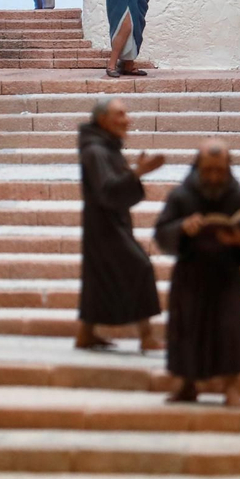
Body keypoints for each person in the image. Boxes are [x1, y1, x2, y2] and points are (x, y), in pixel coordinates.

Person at [154, 139, 240, 408]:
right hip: (190, 274)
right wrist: (182, 227)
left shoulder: (239, 196)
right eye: (208, 171)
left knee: (229, 331)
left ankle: (232, 388)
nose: (214, 176)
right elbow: (161, 232)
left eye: (219, 171)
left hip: (225, 275)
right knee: (187, 329)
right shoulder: (181, 196)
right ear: (198, 167)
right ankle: (186, 384)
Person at [76, 97, 165, 353]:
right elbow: (107, 190)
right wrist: (137, 173)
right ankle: (146, 336)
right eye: (121, 114)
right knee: (140, 266)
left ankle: (86, 333)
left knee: (99, 276)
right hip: (104, 224)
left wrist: (134, 173)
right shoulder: (96, 151)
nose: (127, 120)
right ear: (103, 120)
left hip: (107, 221)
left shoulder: (105, 147)